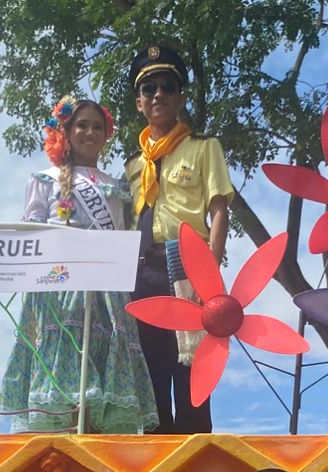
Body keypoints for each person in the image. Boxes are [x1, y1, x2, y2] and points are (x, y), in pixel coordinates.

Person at [0, 96, 158, 435]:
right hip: (57, 289)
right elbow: (31, 232)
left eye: (97, 126)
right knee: (63, 366)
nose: (90, 132)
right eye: (82, 125)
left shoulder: (116, 186)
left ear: (106, 134)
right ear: (66, 132)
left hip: (105, 292)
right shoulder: (45, 179)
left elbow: (120, 236)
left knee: (99, 368)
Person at [124, 44, 235, 434]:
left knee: (190, 371)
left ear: (181, 96)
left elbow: (219, 210)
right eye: (149, 88)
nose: (158, 95)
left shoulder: (204, 147)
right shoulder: (133, 165)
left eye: (168, 86)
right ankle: (155, 469)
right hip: (141, 272)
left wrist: (211, 277)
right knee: (149, 372)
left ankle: (194, 467)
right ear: (139, 102)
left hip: (188, 267)